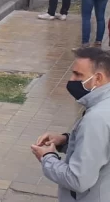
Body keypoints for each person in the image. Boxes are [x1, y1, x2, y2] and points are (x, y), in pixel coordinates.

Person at [32, 47, 110, 202]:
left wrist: (47, 157)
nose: (72, 79)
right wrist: (66, 140)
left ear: (98, 78)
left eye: (78, 74)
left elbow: (78, 180)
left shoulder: (96, 119)